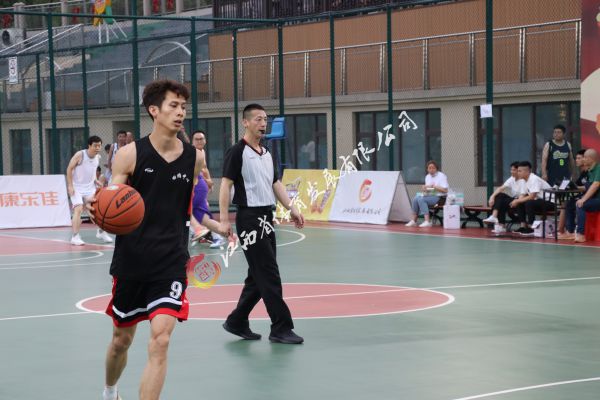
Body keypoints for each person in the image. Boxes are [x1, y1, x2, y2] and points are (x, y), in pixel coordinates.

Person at [95, 79, 229, 400]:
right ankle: (110, 391)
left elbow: (188, 205)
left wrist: (210, 225)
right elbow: (111, 201)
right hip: (132, 260)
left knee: (161, 340)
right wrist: (99, 208)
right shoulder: (129, 155)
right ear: (154, 110)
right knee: (121, 341)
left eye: (183, 106)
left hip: (170, 261)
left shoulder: (195, 158)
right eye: (173, 105)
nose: (181, 112)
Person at [219, 103, 305, 344]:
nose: (263, 123)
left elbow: (275, 183)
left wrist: (292, 208)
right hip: (249, 219)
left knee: (258, 275)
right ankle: (280, 327)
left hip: (267, 217)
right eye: (257, 119)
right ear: (245, 122)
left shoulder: (266, 153)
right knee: (269, 274)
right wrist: (224, 220)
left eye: (265, 119)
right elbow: (225, 185)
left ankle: (237, 321)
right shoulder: (237, 152)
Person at [66, 135, 113, 245]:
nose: (98, 148)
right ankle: (75, 237)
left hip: (90, 188)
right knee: (78, 209)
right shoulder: (80, 155)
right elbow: (69, 168)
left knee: (100, 209)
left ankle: (101, 232)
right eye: (95, 146)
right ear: (89, 145)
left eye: (99, 146)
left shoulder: (97, 157)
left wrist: (95, 180)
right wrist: (70, 186)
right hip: (76, 188)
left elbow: (92, 170)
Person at [190, 129, 226, 249]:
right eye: (197, 139)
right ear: (192, 141)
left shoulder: (200, 152)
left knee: (189, 212)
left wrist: (209, 182)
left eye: (201, 139)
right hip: (197, 186)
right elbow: (201, 170)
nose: (199, 141)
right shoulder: (193, 152)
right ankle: (211, 234)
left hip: (197, 186)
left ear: (205, 141)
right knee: (203, 217)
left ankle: (200, 232)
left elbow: (204, 170)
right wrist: (208, 182)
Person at [509, 161, 554, 236]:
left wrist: (517, 201)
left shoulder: (534, 179)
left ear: (527, 171)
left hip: (550, 202)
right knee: (520, 202)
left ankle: (531, 227)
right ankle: (523, 226)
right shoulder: (523, 180)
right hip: (538, 202)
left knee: (529, 202)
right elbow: (522, 194)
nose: (518, 173)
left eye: (520, 171)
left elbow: (532, 196)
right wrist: (516, 201)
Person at [483, 161, 524, 234]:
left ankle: (500, 224)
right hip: (513, 199)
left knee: (500, 201)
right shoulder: (512, 179)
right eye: (511, 169)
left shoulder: (523, 180)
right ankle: (495, 217)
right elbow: (501, 188)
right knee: (499, 196)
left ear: (519, 171)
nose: (511, 171)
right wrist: (492, 197)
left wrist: (517, 201)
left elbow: (524, 195)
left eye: (513, 170)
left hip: (521, 201)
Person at [405, 160, 448, 228]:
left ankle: (427, 221)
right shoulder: (427, 176)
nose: (431, 170)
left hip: (440, 198)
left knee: (421, 199)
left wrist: (434, 186)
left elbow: (445, 190)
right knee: (416, 198)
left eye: (433, 168)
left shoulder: (442, 176)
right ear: (427, 169)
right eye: (429, 168)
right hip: (430, 196)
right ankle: (414, 220)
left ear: (436, 168)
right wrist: (425, 189)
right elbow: (430, 190)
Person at [570, 149, 600, 243]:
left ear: (591, 159)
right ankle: (570, 231)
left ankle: (581, 234)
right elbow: (589, 187)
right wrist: (575, 188)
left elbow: (595, 185)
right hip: (595, 199)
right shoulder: (590, 171)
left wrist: (583, 199)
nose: (583, 160)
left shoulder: (599, 169)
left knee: (581, 205)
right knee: (571, 202)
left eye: (585, 158)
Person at [557, 149, 589, 239]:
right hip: (582, 195)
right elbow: (577, 186)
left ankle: (575, 232)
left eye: (579, 158)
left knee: (572, 203)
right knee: (569, 202)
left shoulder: (590, 172)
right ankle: (569, 231)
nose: (576, 160)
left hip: (590, 197)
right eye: (576, 158)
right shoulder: (583, 173)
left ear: (586, 159)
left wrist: (575, 187)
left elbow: (587, 187)